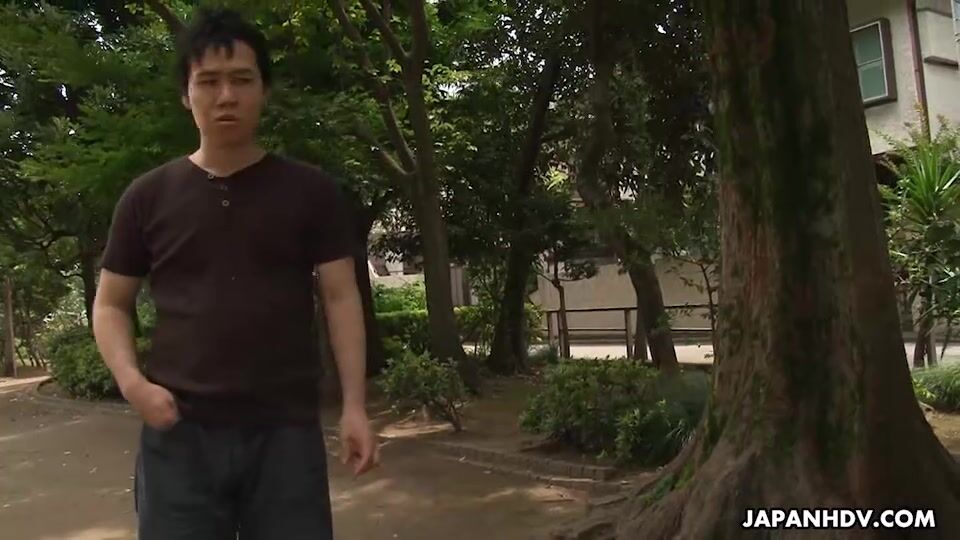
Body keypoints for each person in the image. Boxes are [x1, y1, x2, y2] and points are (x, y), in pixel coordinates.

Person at [91, 7, 377, 539]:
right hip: (179, 433)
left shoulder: (310, 192)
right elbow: (110, 303)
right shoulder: (146, 197)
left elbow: (341, 297)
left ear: (264, 90)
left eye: (242, 80)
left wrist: (355, 406)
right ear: (186, 94)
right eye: (209, 82)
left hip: (286, 433)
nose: (227, 96)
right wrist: (132, 383)